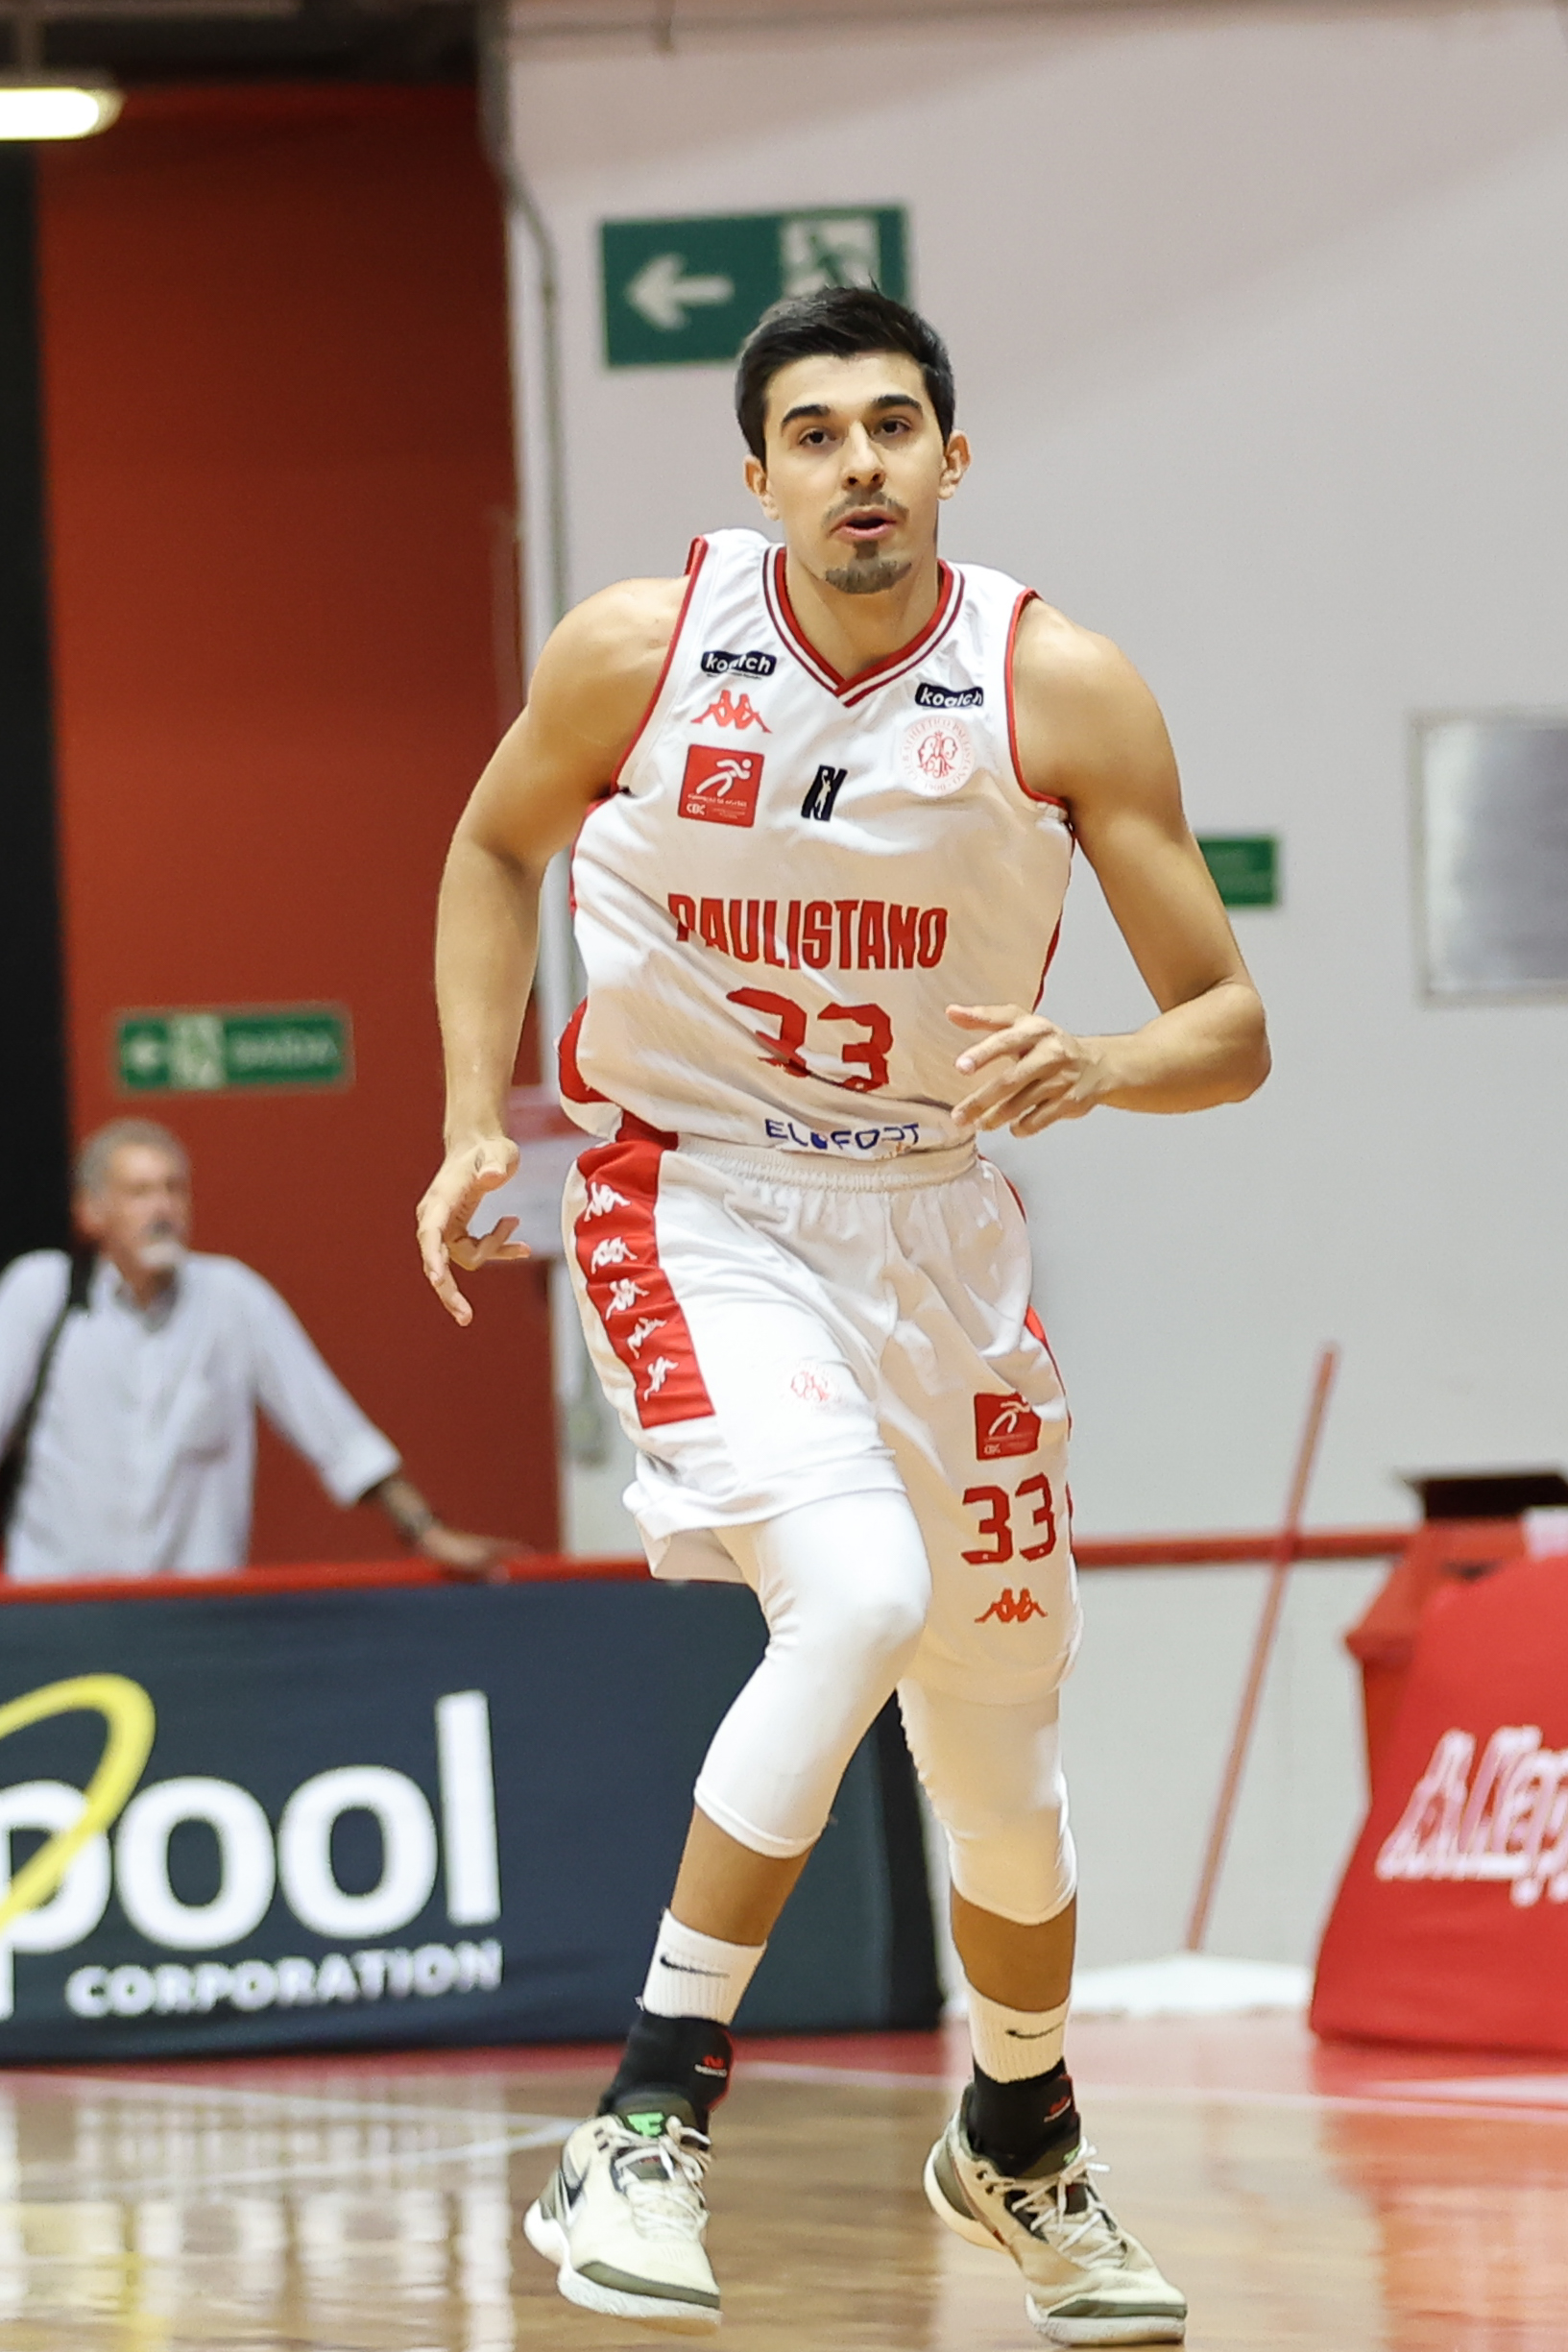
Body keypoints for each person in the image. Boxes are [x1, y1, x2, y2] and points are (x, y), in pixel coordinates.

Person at [417, 287, 1268, 2345]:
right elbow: (494, 845)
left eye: (892, 425)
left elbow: (1229, 1025)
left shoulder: (1056, 686)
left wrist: (1098, 1063)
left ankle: (1022, 2130)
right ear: (760, 476)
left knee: (1004, 1769)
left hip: (937, 1231)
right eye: (814, 433)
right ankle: (644, 2116)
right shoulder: (636, 651)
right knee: (859, 1594)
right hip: (695, 1193)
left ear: (951, 460)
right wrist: (465, 1116)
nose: (857, 463)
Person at [0, 1119, 513, 1581]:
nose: (162, 1208)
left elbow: (336, 1433)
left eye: (174, 1189)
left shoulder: (232, 1299)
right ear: (90, 1212)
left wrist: (427, 1532)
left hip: (193, 1613)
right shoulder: (39, 1293)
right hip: (62, 1605)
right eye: (139, 1192)